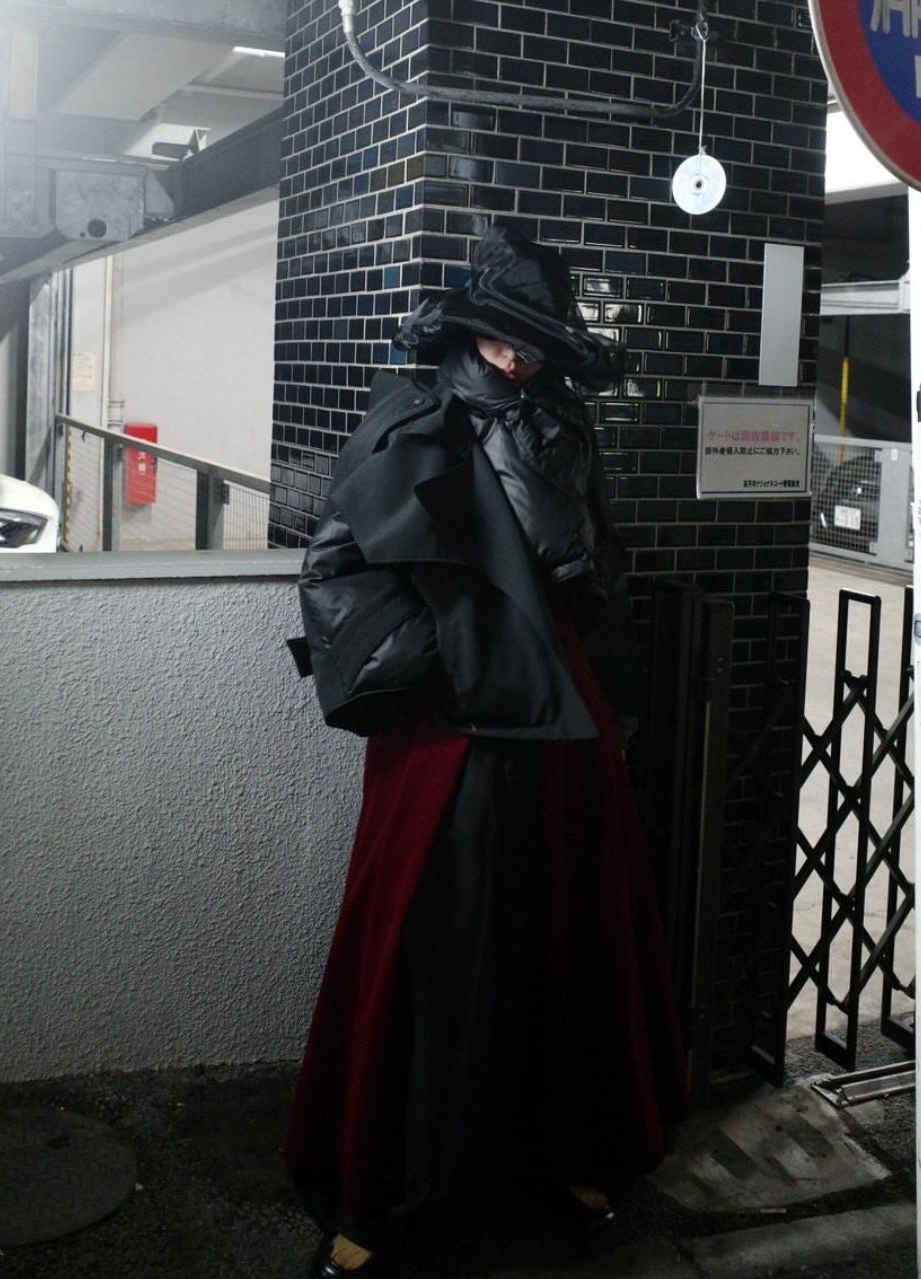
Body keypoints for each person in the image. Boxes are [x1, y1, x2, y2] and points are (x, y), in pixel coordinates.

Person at [286, 224, 689, 1279]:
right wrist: (444, 661)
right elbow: (337, 567)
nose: (520, 356)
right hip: (450, 724)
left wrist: (607, 693)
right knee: (437, 938)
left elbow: (595, 567)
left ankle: (567, 1154)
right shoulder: (412, 414)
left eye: (537, 341)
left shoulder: (563, 422)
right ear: (468, 330)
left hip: (561, 713)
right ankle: (390, 1186)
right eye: (505, 336)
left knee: (569, 933)